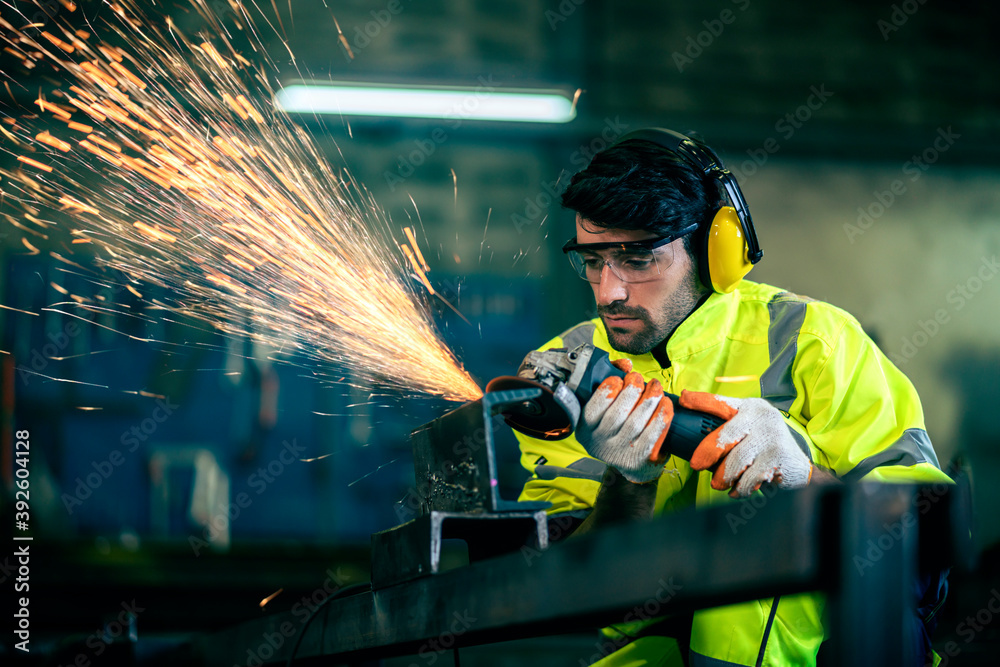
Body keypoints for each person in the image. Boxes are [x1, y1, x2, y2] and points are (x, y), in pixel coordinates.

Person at [513, 129, 952, 666]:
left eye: (639, 258)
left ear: (714, 248)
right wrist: (626, 485)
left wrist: (804, 480)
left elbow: (929, 550)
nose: (610, 291)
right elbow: (560, 593)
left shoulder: (813, 340)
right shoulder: (567, 366)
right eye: (592, 260)